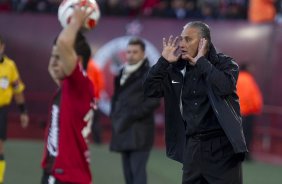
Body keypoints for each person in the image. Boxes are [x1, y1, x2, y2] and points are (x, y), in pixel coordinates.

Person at [143, 21, 247, 184]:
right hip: (192, 146)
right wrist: (163, 62)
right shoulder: (177, 69)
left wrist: (201, 62)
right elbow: (149, 90)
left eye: (188, 39)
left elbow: (225, 87)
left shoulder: (225, 64)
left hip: (222, 148)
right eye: (181, 39)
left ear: (203, 41)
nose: (182, 44)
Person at [41, 7, 94, 184]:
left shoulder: (80, 85)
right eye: (53, 57)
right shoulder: (67, 87)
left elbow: (64, 43)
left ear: (76, 61)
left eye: (59, 58)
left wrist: (75, 21)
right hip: (57, 171)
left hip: (68, 176)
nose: (54, 63)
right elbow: (53, 66)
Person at [110, 37, 160, 184]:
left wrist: (129, 115)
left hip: (140, 132)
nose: (131, 55)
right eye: (129, 52)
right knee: (129, 176)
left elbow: (153, 101)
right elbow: (116, 98)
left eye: (135, 52)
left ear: (143, 54)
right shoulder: (122, 73)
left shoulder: (150, 74)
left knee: (137, 175)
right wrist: (116, 116)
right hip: (123, 130)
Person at [0, 35, 29, 184]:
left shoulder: (10, 66)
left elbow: (17, 90)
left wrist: (23, 111)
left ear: (2, 47)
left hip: (1, 110)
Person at [237, 63, 263, 161]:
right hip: (246, 112)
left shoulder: (237, 77)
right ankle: (245, 155)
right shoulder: (248, 79)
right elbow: (252, 97)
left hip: (236, 111)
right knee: (246, 135)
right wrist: (256, 109)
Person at [87, 59, 105, 144]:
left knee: (93, 119)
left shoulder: (88, 66)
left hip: (88, 98)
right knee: (95, 120)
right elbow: (100, 83)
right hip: (93, 98)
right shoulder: (94, 65)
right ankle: (97, 140)